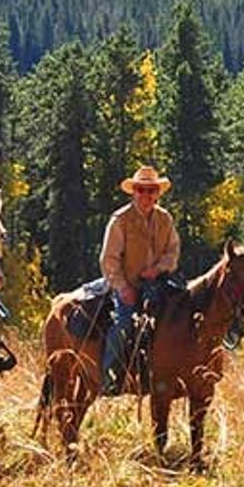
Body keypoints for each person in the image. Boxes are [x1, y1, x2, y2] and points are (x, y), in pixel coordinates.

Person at [99, 164, 180, 395]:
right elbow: (109, 260)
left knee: (182, 317)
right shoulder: (120, 220)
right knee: (124, 325)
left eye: (151, 190)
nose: (146, 195)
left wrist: (159, 269)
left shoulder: (165, 219)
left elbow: (173, 252)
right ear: (133, 192)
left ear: (157, 193)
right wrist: (123, 288)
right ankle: (109, 379)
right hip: (128, 286)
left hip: (159, 284)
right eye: (141, 190)